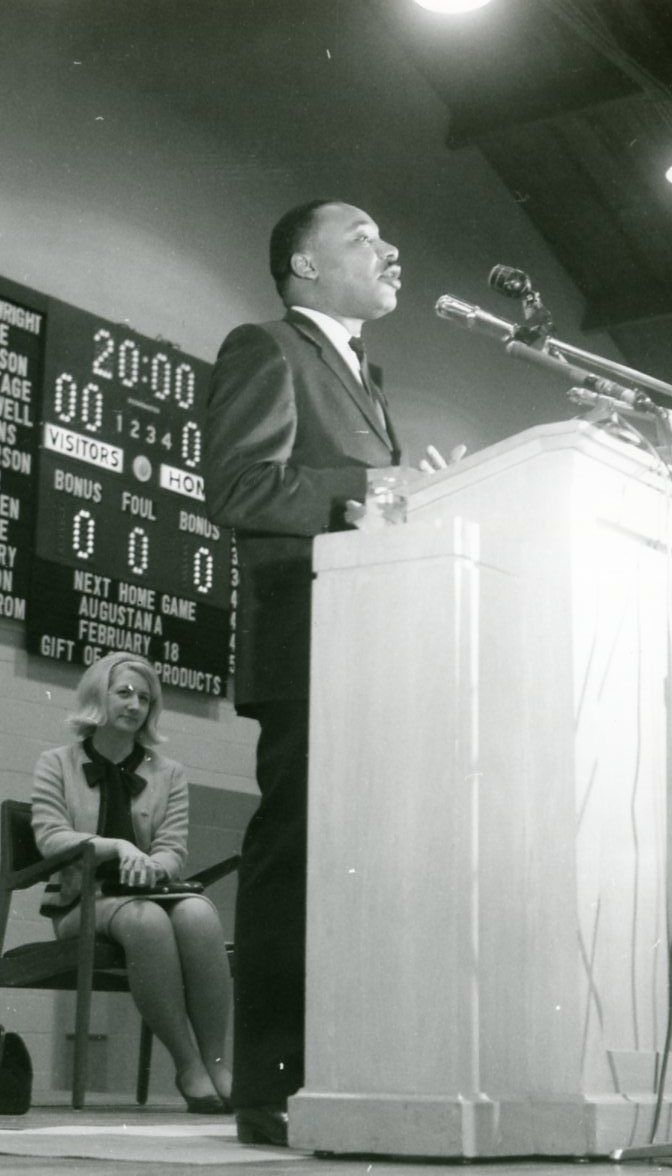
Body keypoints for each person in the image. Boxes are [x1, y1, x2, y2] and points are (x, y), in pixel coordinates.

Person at [202, 199, 456, 1145]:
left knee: (361, 873)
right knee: (294, 863)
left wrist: (414, 502)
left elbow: (359, 502)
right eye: (363, 239)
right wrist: (373, 487)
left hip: (372, 647)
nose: (390, 249)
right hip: (307, 645)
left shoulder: (367, 376)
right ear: (304, 267)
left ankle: (348, 1071)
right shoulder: (264, 347)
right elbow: (236, 485)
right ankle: (268, 1087)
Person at [30, 651, 234, 1114]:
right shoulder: (55, 764)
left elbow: (173, 848)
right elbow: (50, 838)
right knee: (146, 923)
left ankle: (219, 1061)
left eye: (145, 697)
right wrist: (116, 847)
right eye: (124, 692)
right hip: (83, 904)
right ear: (98, 696)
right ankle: (188, 1066)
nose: (135, 704)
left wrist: (154, 866)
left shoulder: (170, 774)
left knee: (200, 913)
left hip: (150, 893)